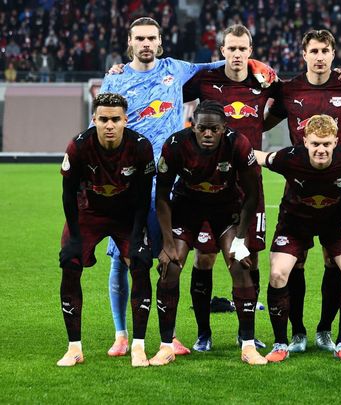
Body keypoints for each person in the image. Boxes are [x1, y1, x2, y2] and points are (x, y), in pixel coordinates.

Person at [99, 16, 224, 357]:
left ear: (159, 41)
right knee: (121, 258)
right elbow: (102, 129)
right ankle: (121, 334)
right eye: (139, 38)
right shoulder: (116, 78)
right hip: (130, 181)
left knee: (171, 257)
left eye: (151, 38)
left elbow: (215, 66)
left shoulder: (175, 68)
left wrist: (253, 64)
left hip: (170, 181)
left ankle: (170, 335)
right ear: (129, 42)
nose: (146, 44)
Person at [263, 29, 341, 353]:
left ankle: (325, 331)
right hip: (298, 188)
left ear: (333, 54)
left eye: (325, 51)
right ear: (303, 54)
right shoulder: (289, 90)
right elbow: (260, 124)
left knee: (336, 262)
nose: (319, 57)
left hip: (337, 189)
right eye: (314, 51)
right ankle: (297, 333)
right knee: (296, 262)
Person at [254, 114, 341, 363]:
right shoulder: (289, 157)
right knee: (278, 273)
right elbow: (261, 157)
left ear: (335, 141)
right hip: (295, 222)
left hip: (336, 222)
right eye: (315, 144)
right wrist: (230, 148)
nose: (321, 150)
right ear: (305, 141)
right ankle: (283, 342)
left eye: (326, 144)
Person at [182, 23, 278, 352]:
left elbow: (293, 98)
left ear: (250, 52)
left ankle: (245, 332)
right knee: (205, 257)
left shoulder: (263, 82)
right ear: (222, 51)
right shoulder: (205, 81)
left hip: (248, 185)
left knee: (249, 257)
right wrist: (123, 72)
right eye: (231, 48)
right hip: (208, 184)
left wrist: (263, 126)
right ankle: (203, 333)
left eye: (242, 49)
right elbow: (165, 90)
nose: (236, 54)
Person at [151, 100, 261, 366]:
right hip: (186, 207)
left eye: (214, 129)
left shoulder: (239, 144)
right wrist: (167, 243)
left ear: (224, 128)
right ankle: (166, 346)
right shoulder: (175, 145)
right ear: (193, 126)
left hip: (226, 209)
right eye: (202, 128)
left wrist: (240, 239)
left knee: (239, 264)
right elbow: (162, 196)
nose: (208, 134)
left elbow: (252, 194)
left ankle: (248, 345)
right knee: (171, 266)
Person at [57, 93, 154, 367]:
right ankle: (74, 348)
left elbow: (143, 197)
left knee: (140, 264)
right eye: (103, 119)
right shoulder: (78, 146)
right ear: (94, 120)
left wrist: (138, 238)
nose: (109, 125)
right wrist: (74, 238)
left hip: (127, 216)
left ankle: (138, 346)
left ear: (125, 120)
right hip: (89, 213)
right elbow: (67, 194)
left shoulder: (141, 147)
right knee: (70, 264)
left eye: (115, 119)